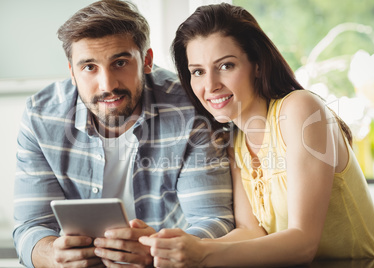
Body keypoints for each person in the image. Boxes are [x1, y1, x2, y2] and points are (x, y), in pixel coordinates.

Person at [139, 3, 374, 267]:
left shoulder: (300, 109)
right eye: (198, 72)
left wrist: (203, 254)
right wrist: (177, 247)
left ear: (257, 65)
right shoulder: (234, 141)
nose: (210, 85)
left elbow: (303, 242)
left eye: (226, 66)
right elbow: (251, 232)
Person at [13, 1, 235, 267]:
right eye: (89, 67)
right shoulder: (40, 116)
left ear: (147, 61)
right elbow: (30, 227)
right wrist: (52, 256)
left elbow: (213, 220)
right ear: (72, 72)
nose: (107, 85)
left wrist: (158, 252)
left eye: (120, 62)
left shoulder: (190, 108)